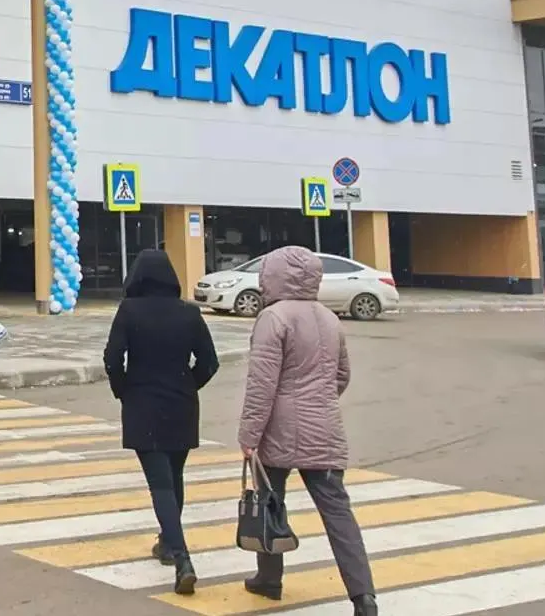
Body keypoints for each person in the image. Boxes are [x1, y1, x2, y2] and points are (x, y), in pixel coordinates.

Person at [238, 245, 377, 616]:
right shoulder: (328, 317)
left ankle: (269, 579)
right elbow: (342, 375)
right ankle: (364, 596)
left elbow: (262, 385)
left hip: (278, 431)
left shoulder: (272, 317)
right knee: (338, 513)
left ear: (273, 276)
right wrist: (318, 401)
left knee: (270, 504)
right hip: (325, 427)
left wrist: (249, 436)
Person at [103, 249, 219, 596]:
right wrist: (188, 384)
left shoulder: (129, 310)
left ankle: (182, 557)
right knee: (174, 475)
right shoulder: (189, 312)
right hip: (182, 403)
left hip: (143, 404)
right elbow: (209, 362)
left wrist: (124, 390)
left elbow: (112, 358)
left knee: (161, 484)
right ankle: (168, 545)